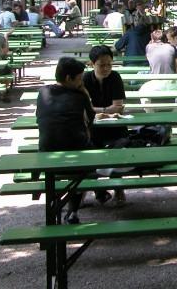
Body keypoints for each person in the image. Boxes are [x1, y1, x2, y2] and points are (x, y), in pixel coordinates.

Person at [36, 57, 95, 224]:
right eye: (80, 79)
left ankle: (58, 203)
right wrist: (85, 93)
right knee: (93, 159)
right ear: (69, 78)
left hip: (46, 149)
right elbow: (91, 120)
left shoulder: (43, 92)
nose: (82, 82)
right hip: (76, 150)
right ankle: (73, 211)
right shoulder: (79, 95)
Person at [82, 46, 128, 206]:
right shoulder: (85, 79)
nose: (107, 68)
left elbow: (118, 107)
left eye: (109, 64)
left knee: (117, 152)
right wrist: (105, 110)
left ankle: (118, 189)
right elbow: (83, 109)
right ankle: (87, 189)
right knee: (88, 153)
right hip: (92, 130)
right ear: (92, 64)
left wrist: (96, 110)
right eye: (102, 65)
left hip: (115, 128)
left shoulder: (115, 77)